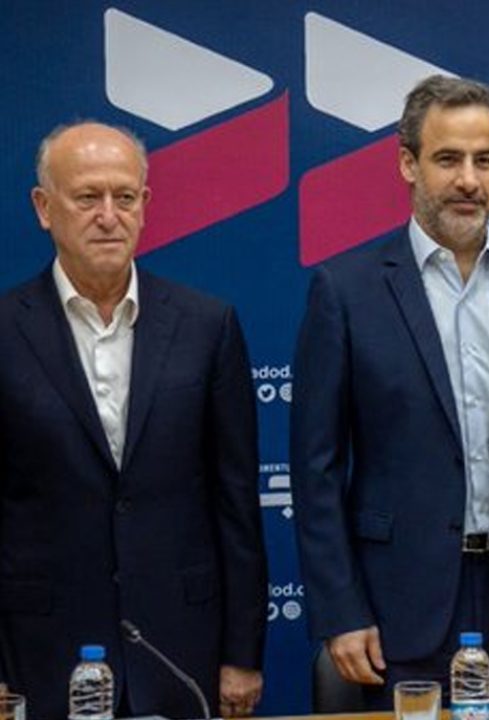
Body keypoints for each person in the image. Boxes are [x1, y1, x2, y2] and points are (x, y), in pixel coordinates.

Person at [291, 75, 489, 707]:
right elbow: (316, 468)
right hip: (398, 608)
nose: (469, 180)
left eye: (484, 160)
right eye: (448, 159)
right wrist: (340, 609)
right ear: (407, 164)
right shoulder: (346, 291)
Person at [0, 122, 267, 719]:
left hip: (179, 647)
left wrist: (242, 655)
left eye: (124, 197)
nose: (108, 216)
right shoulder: (5, 331)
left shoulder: (206, 326)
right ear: (44, 208)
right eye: (86, 197)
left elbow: (235, 505)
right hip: (39, 652)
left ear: (145, 206)